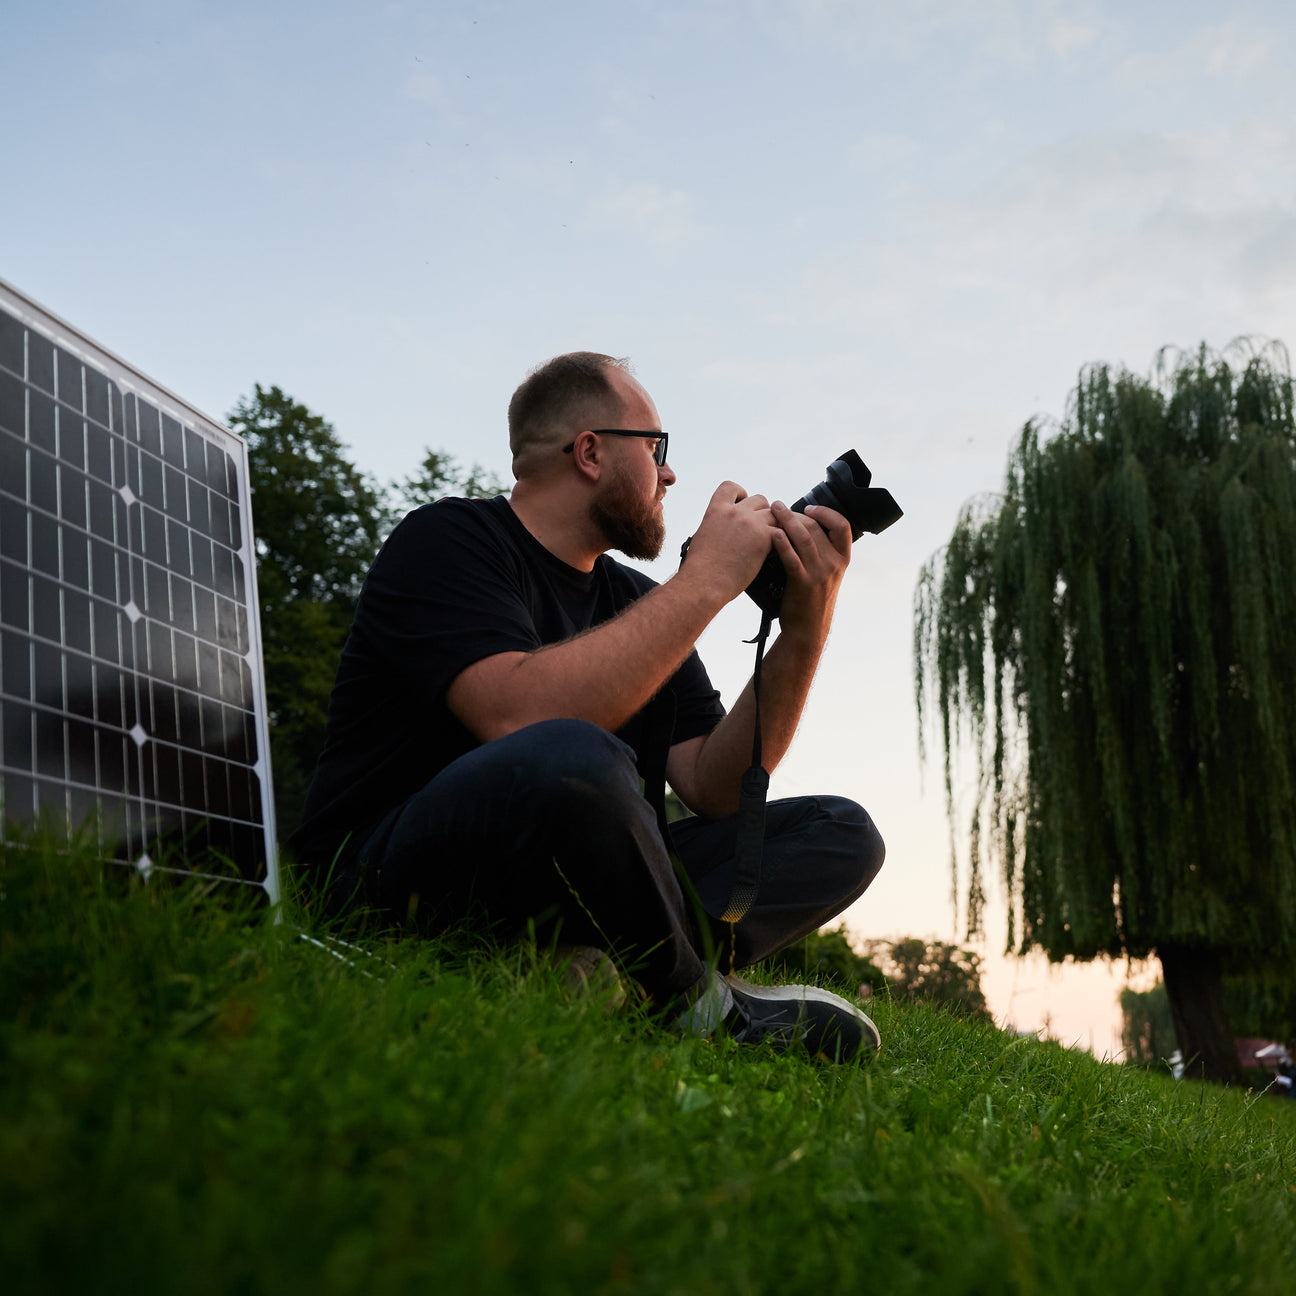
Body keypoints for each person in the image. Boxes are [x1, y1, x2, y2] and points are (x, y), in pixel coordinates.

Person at [290, 352, 886, 1059]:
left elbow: (716, 789)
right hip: (390, 877)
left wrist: (803, 627)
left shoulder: (635, 602)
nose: (670, 474)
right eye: (657, 448)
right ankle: (698, 1004)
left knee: (839, 831)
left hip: (574, 884)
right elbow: (518, 719)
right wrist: (706, 582)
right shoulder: (447, 540)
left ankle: (594, 968)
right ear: (591, 451)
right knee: (573, 755)